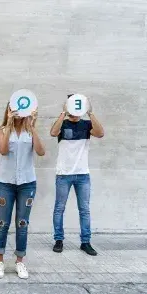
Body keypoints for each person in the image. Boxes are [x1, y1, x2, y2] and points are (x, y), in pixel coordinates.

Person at [0, 104, 45, 280]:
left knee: (22, 223)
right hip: (5, 183)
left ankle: (19, 261)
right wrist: (8, 124)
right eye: (13, 110)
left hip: (27, 183)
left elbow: (41, 151)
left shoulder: (30, 131)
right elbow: (3, 150)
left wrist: (32, 127)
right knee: (3, 223)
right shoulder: (1, 129)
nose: (17, 113)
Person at [50, 95, 104, 256]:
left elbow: (100, 133)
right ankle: (58, 240)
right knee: (59, 208)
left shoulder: (87, 125)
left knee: (84, 210)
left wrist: (91, 112)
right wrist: (63, 113)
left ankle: (85, 242)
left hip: (82, 174)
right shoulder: (63, 123)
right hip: (64, 174)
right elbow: (53, 132)